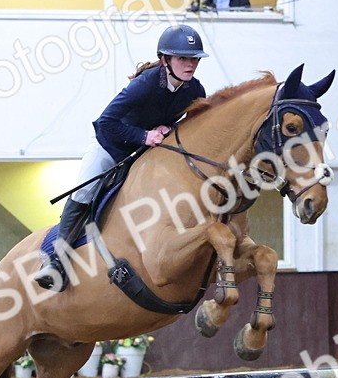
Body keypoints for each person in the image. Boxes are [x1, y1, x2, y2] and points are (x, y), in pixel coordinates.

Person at [32, 24, 209, 291]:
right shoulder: (144, 85)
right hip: (110, 147)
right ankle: (56, 261)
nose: (190, 64)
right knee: (85, 192)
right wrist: (144, 136)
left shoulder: (195, 91)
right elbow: (106, 123)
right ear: (165, 60)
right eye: (183, 58)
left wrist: (169, 129)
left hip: (145, 155)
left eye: (194, 58)